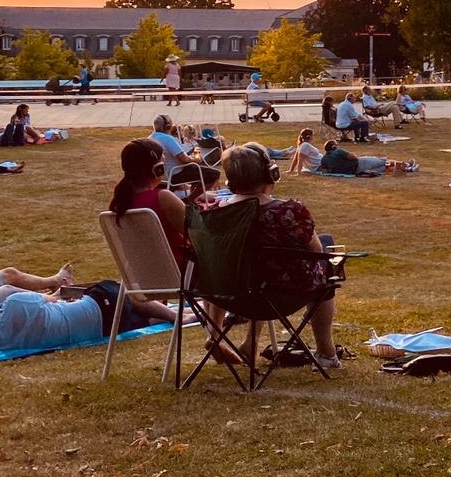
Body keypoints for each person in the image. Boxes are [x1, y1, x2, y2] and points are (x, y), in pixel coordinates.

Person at [207, 143, 345, 368]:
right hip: (282, 294)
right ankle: (326, 352)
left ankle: (243, 342)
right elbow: (317, 251)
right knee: (326, 266)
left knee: (253, 268)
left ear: (230, 182)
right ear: (270, 174)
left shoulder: (216, 213)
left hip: (231, 292)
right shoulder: (288, 211)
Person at [0, 279, 186, 358]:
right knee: (128, 294)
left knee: (133, 313)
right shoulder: (17, 304)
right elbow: (54, 298)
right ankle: (177, 316)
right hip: (98, 308)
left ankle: (175, 316)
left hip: (99, 330)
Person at [107, 138, 190, 270]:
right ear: (158, 169)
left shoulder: (119, 203)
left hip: (145, 277)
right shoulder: (162, 198)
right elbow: (199, 234)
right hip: (182, 275)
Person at [150, 114, 221, 191]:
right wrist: (195, 160)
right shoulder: (167, 139)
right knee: (214, 174)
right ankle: (191, 199)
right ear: (167, 126)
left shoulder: (150, 138)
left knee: (196, 169)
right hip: (175, 174)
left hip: (161, 175)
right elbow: (183, 159)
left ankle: (192, 196)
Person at [317, 139, 415, 178]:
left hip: (354, 173)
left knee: (383, 169)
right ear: (334, 146)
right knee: (384, 161)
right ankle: (406, 165)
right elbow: (352, 157)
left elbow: (325, 172)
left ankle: (408, 170)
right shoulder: (338, 151)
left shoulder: (324, 159)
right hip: (360, 164)